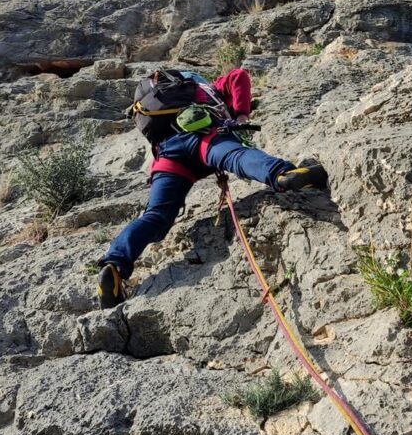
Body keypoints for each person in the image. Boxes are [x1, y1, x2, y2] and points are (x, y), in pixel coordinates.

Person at [97, 67, 327, 308]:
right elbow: (239, 75)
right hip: (204, 134)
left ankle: (115, 265)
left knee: (156, 215)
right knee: (236, 156)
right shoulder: (206, 88)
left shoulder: (159, 105)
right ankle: (282, 174)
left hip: (168, 154)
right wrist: (240, 117)